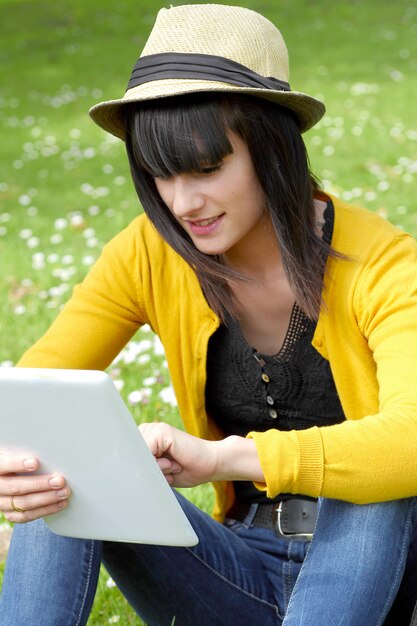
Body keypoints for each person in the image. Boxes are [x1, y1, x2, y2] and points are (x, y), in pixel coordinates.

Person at [0, 4, 417, 625]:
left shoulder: (384, 264)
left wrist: (222, 459)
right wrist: (18, 467)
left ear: (272, 147)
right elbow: (32, 397)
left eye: (207, 167)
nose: (183, 203)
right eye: (160, 175)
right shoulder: (149, 251)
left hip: (373, 569)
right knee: (63, 464)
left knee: (377, 470)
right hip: (236, 568)